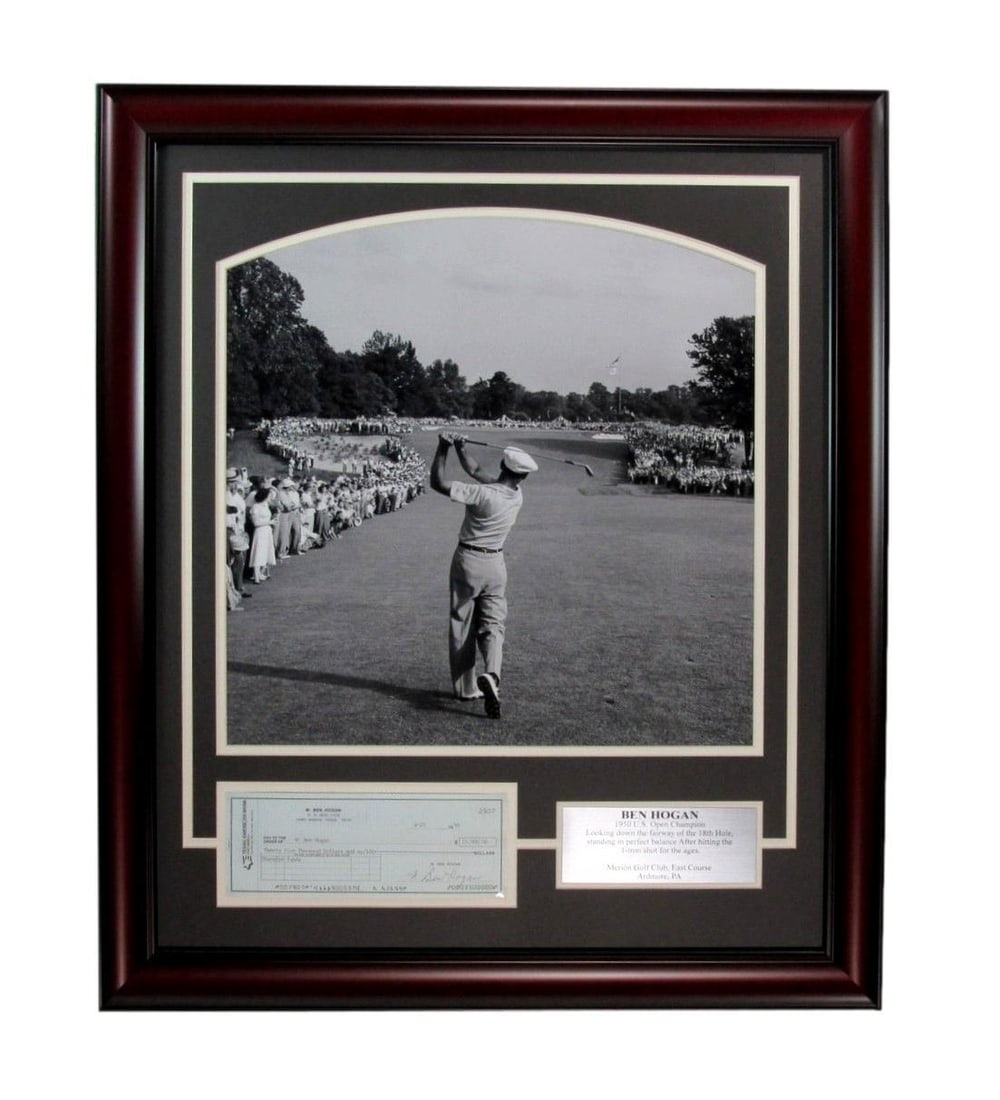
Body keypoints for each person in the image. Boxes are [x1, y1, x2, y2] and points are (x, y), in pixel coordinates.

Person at [430, 433, 537, 719]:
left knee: (462, 624)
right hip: (496, 565)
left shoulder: (482, 494)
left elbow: (438, 483)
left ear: (503, 465)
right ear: (523, 476)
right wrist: (462, 448)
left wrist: (444, 448)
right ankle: (492, 675)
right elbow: (476, 470)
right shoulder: (517, 495)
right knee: (493, 625)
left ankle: (466, 688)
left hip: (468, 561)